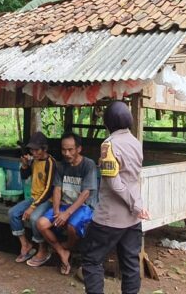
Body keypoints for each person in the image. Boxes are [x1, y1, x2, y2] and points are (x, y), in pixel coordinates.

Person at [81, 101, 150, 294]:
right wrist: (137, 205)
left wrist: (134, 204)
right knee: (130, 264)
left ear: (108, 122)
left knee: (92, 260)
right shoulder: (136, 142)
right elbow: (133, 178)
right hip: (132, 219)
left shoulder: (109, 145)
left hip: (110, 218)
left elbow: (114, 183)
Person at [36, 132, 97, 275]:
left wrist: (67, 214)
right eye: (64, 150)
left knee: (71, 226)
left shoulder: (88, 165)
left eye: (70, 150)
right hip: (64, 205)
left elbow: (86, 193)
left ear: (78, 149)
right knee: (41, 224)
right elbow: (57, 189)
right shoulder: (61, 165)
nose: (66, 153)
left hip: (84, 206)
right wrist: (57, 210)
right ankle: (62, 252)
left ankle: (68, 247)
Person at [8, 131, 55, 266]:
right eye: (32, 150)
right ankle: (26, 245)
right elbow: (25, 176)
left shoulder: (50, 163)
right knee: (13, 213)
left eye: (36, 150)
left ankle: (43, 249)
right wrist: (24, 165)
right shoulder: (34, 161)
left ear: (44, 149)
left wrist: (32, 207)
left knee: (35, 218)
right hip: (34, 198)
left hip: (47, 200)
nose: (34, 152)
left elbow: (49, 189)